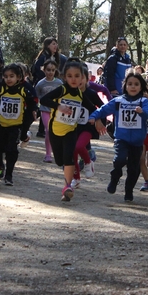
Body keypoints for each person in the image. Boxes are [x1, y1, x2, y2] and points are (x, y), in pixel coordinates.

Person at [90, 72, 148, 203]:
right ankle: (115, 176)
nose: (133, 87)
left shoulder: (143, 101)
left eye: (136, 84)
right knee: (119, 160)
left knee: (134, 168)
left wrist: (143, 112)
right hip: (121, 139)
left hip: (137, 141)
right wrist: (94, 116)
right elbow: (103, 109)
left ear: (141, 87)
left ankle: (128, 191)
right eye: (130, 84)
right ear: (125, 86)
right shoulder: (118, 101)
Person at [0, 63, 37, 186]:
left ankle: (9, 175)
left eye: (12, 76)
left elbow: (32, 102)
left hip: (15, 126)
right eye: (6, 76)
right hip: (0, 124)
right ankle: (0, 163)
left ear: (18, 77)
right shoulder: (0, 89)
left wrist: (33, 111)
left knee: (11, 150)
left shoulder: (23, 91)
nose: (8, 79)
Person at [39, 61, 86, 200]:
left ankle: (67, 187)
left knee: (69, 157)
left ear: (82, 78)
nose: (73, 79)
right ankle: (67, 173)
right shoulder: (62, 90)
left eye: (77, 76)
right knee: (60, 161)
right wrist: (58, 106)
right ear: (65, 77)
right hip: (55, 130)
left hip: (71, 130)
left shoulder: (80, 94)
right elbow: (44, 100)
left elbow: (92, 106)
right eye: (70, 76)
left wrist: (98, 119)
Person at [35, 60, 64, 163]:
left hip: (56, 112)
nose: (50, 72)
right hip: (45, 110)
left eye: (52, 70)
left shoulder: (59, 83)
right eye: (48, 70)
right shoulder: (40, 84)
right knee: (48, 130)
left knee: (57, 131)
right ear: (44, 70)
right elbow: (37, 97)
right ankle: (48, 154)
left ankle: (58, 151)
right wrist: (35, 109)